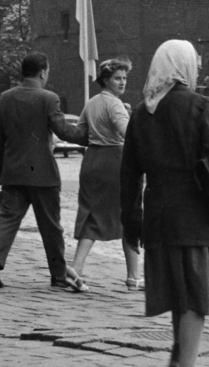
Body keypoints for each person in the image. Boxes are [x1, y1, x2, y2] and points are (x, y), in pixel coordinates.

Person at [120, 39, 209, 367]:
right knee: (195, 297)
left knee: (178, 296)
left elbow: (129, 175)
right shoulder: (201, 105)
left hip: (157, 217)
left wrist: (132, 223)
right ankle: (186, 364)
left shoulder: (141, 112)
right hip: (196, 215)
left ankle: (178, 358)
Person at [0, 51, 82, 293]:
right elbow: (63, 130)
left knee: (7, 220)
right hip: (43, 174)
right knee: (51, 227)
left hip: (13, 172)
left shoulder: (6, 98)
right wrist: (89, 135)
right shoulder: (49, 98)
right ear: (43, 72)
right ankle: (58, 274)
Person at [71, 57, 141, 290]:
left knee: (91, 215)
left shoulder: (91, 103)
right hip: (116, 162)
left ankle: (76, 268)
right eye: (117, 78)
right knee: (129, 214)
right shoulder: (115, 104)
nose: (122, 82)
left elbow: (80, 133)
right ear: (105, 80)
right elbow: (128, 134)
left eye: (124, 78)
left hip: (92, 160)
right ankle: (133, 276)